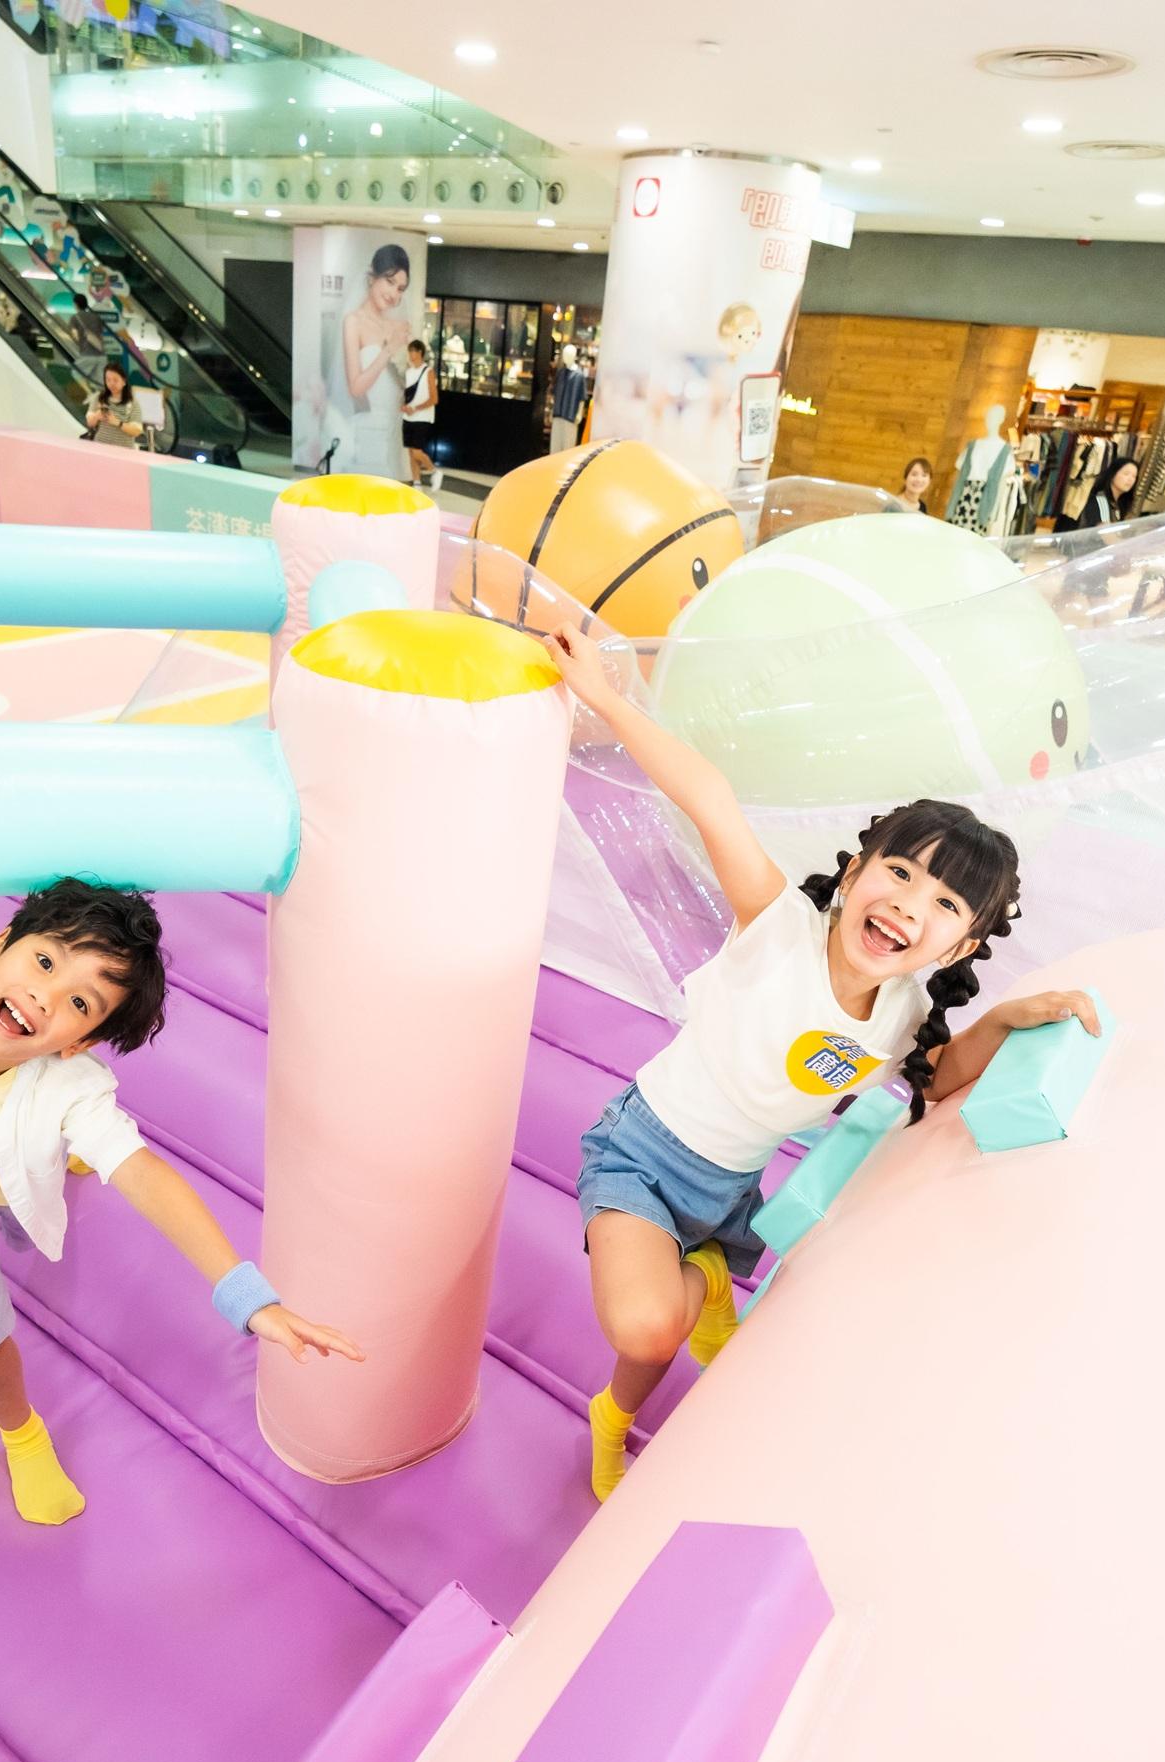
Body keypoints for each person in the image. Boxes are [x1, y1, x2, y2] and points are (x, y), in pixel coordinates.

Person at [542, 629, 1097, 1500]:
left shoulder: (904, 1016)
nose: (908, 904)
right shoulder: (778, 929)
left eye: (944, 903)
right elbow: (709, 798)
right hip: (643, 1152)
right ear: (855, 869)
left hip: (730, 1188)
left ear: (963, 944)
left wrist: (1006, 1019)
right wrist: (606, 698)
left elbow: (942, 1075)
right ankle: (702, 1282)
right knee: (646, 1326)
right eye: (900, 872)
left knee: (650, 1346)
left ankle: (613, 1414)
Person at [0, 882, 363, 1524]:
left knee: (57, 1165)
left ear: (78, 1043)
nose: (44, 996)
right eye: (44, 961)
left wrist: (250, 1299)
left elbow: (145, 1175)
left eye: (80, 1003)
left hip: (6, 1176)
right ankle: (22, 1434)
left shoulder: (69, 1083)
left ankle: (75, 1149)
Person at [332, 242, 414, 477]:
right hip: (367, 426)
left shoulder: (399, 326)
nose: (394, 294)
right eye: (390, 281)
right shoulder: (353, 321)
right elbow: (356, 388)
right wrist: (388, 350)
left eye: (400, 288)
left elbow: (405, 383)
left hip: (395, 426)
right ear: (372, 278)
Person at [85, 361, 149, 450]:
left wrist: (118, 423)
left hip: (123, 451)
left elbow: (137, 430)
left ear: (124, 381)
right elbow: (89, 423)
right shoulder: (99, 398)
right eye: (108, 380)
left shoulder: (132, 403)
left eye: (115, 380)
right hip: (99, 448)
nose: (111, 384)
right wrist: (97, 416)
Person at [400, 338, 438, 486]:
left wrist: (415, 408)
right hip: (408, 417)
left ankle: (434, 471)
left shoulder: (428, 371)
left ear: (420, 352)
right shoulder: (409, 372)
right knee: (411, 452)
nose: (410, 354)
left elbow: (434, 398)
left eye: (413, 351)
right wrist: (405, 407)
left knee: (417, 451)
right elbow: (407, 395)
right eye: (409, 351)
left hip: (422, 417)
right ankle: (417, 483)